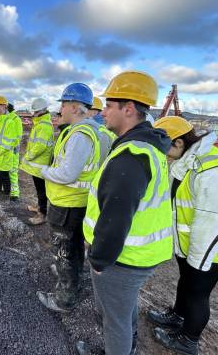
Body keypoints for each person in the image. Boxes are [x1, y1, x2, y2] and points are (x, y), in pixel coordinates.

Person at [77, 71, 173, 355]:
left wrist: (98, 259)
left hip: (122, 259)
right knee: (124, 308)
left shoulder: (131, 156)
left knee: (113, 320)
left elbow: (115, 218)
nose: (102, 112)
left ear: (128, 109)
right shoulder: (145, 147)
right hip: (138, 255)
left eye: (108, 105)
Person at [148, 116, 218, 355]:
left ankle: (189, 340)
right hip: (190, 245)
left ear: (178, 142)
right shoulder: (189, 161)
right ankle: (178, 315)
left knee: (198, 293)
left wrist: (198, 261)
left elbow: (211, 221)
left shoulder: (211, 167)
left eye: (163, 146)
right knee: (186, 283)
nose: (163, 154)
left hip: (208, 250)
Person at [37, 83, 102, 312]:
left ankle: (65, 297)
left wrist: (41, 170)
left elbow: (67, 173)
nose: (60, 109)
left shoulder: (80, 134)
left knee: (64, 249)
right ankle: (73, 277)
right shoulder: (94, 130)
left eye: (63, 104)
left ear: (75, 107)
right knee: (73, 247)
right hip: (78, 202)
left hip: (67, 204)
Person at [20, 98, 54, 225]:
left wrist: (27, 156)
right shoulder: (40, 123)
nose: (33, 114)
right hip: (37, 165)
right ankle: (39, 207)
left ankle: (42, 214)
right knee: (38, 188)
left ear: (42, 111)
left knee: (41, 190)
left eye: (35, 112)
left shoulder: (44, 126)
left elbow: (40, 146)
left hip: (40, 165)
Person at [7, 99, 23, 202]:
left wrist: (13, 147)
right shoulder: (7, 118)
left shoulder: (15, 119)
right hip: (6, 150)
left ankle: (14, 194)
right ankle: (7, 190)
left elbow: (18, 136)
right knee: (7, 171)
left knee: (12, 171)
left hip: (12, 150)